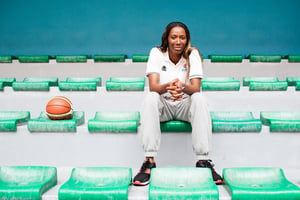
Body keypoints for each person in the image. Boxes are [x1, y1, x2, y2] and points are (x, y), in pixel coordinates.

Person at [132, 22, 223, 186]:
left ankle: (203, 161)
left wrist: (181, 86)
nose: (178, 41)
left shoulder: (193, 54)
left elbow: (195, 88)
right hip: (163, 106)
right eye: (174, 37)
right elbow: (153, 86)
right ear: (167, 38)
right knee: (151, 97)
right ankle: (149, 161)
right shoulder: (156, 53)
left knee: (199, 98)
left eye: (182, 37)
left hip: (183, 105)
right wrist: (169, 86)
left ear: (187, 39)